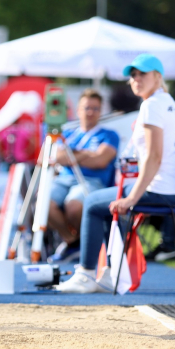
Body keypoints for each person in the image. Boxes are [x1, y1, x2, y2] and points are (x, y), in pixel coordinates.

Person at [57, 54, 175, 293]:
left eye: (143, 73)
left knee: (91, 203)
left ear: (158, 77)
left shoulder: (152, 105)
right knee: (108, 201)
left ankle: (87, 274)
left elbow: (154, 157)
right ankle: (111, 273)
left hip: (164, 191)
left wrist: (131, 199)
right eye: (133, 75)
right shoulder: (169, 103)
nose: (136, 79)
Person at [47, 90, 119, 260]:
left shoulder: (109, 135)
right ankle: (73, 242)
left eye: (95, 108)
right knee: (42, 204)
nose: (91, 112)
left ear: (100, 111)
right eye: (87, 108)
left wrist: (73, 156)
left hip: (92, 181)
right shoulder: (68, 133)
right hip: (64, 180)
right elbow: (58, 157)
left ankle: (88, 246)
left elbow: (101, 161)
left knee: (74, 206)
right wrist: (88, 154)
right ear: (78, 110)